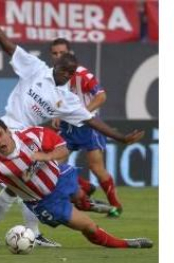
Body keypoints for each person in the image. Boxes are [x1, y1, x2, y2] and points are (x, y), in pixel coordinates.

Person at [0, 0, 145, 248]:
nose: (65, 73)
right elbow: (9, 47)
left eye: (69, 71)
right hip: (10, 132)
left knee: (20, 187)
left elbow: (90, 120)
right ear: (56, 65)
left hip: (27, 139)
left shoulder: (67, 100)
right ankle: (37, 229)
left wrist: (121, 138)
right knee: (34, 185)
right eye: (63, 68)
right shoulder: (35, 69)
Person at [0, 119, 153, 249]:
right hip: (45, 202)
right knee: (88, 227)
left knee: (80, 195)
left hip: (60, 176)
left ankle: (87, 202)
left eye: (1, 134)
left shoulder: (32, 135)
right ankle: (127, 243)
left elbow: (63, 149)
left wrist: (41, 157)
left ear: (8, 131)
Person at [49, 38, 123, 217]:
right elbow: (60, 99)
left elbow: (101, 96)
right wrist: (59, 115)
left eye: (62, 53)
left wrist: (82, 112)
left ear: (70, 54)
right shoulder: (52, 75)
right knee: (52, 164)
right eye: (55, 53)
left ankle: (115, 206)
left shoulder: (82, 74)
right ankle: (86, 187)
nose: (58, 56)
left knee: (97, 168)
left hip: (89, 126)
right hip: (68, 127)